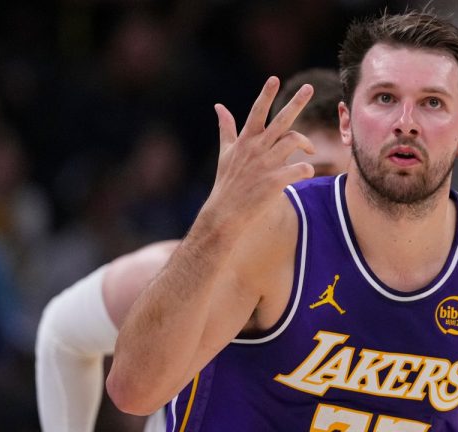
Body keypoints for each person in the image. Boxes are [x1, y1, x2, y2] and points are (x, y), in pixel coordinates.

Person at [107, 10, 458, 431]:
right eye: (384, 98)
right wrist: (216, 221)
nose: (406, 123)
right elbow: (132, 391)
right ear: (346, 123)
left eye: (432, 103)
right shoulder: (272, 229)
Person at [34, 68, 349, 432]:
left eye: (338, 178)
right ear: (265, 175)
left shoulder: (397, 286)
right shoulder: (183, 276)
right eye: (309, 175)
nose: (322, 193)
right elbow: (62, 333)